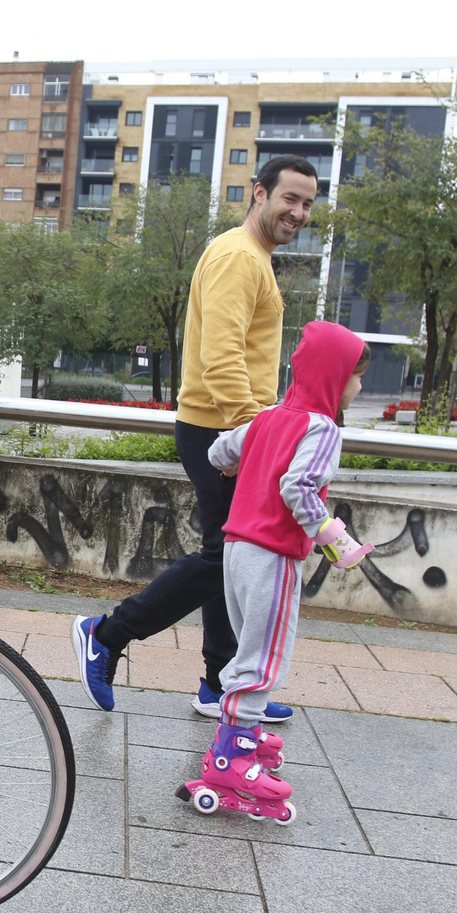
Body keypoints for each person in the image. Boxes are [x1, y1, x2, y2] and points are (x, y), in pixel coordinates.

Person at [72, 155, 320, 715]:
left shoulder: (251, 255)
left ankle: (221, 684)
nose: (299, 211)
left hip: (225, 427)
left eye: (307, 203)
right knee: (228, 556)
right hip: (223, 429)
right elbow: (222, 358)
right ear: (259, 193)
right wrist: (253, 436)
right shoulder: (239, 257)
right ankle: (107, 634)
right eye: (290, 198)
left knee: (229, 553)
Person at [185, 321, 370, 818]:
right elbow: (299, 487)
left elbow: (218, 451)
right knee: (263, 658)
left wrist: (235, 467)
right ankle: (231, 754)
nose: (359, 387)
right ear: (334, 377)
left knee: (249, 645)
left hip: (237, 548)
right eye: (355, 376)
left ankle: (241, 735)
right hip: (274, 553)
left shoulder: (268, 417)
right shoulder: (323, 428)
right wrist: (331, 534)